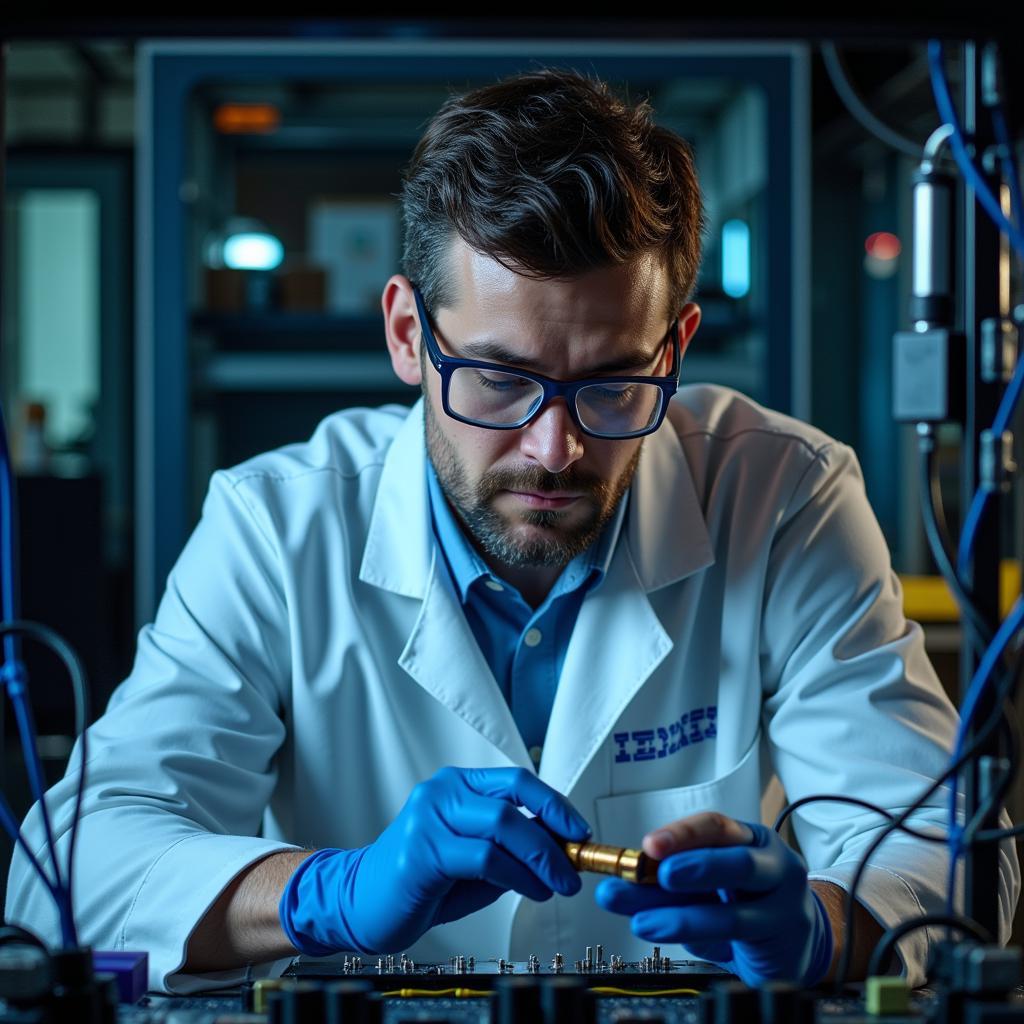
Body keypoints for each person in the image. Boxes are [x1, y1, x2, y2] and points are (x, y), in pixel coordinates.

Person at [5, 67, 1018, 995]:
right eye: (499, 378)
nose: (554, 446)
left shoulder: (782, 493)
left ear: (677, 347)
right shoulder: (278, 524)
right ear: (409, 334)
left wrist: (823, 926)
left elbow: (951, 851)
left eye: (614, 383)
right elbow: (65, 872)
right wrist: (331, 893)